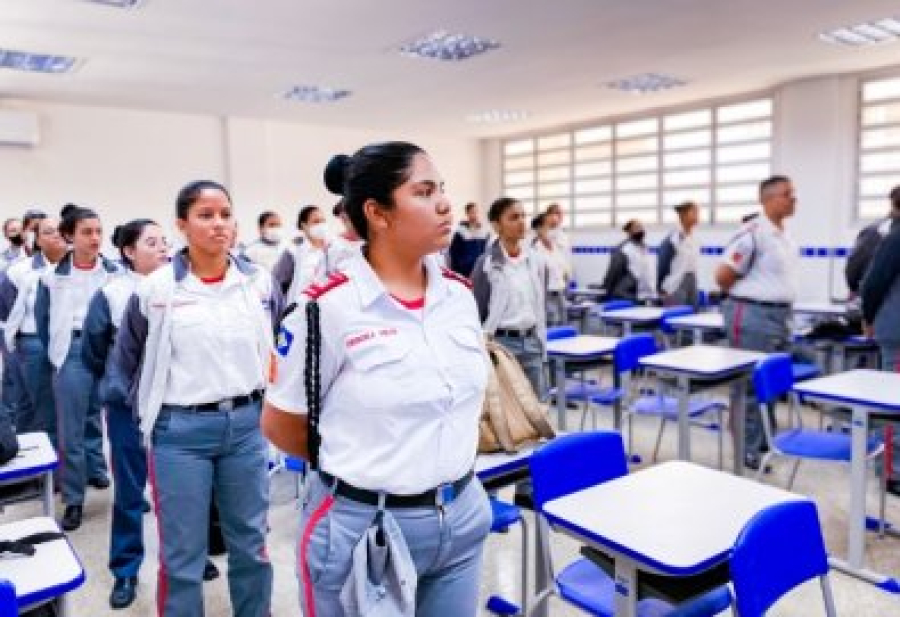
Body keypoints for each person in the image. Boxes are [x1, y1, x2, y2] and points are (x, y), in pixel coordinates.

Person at [262, 142, 492, 617]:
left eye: (442, 189)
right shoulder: (325, 309)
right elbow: (282, 424)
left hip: (461, 514)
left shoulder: (459, 296)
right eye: (424, 192)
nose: (445, 204)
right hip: (365, 525)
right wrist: (369, 461)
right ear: (378, 213)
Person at [112, 180, 276, 617]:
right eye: (205, 215)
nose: (218, 224)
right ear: (182, 225)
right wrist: (150, 420)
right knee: (182, 556)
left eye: (225, 213)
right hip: (180, 434)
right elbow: (129, 363)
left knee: (252, 545)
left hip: (246, 427)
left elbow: (272, 347)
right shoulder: (157, 290)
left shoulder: (257, 282)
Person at [82, 220, 170, 609]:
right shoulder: (112, 293)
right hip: (127, 407)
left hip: (175, 403)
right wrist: (121, 386)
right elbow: (93, 349)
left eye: (164, 241)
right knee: (131, 490)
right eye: (152, 243)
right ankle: (126, 569)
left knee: (179, 489)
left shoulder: (181, 286)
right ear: (129, 252)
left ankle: (186, 557)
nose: (163, 248)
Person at [35, 204, 117, 531]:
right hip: (71, 348)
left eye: (98, 231)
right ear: (69, 236)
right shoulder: (50, 278)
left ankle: (98, 470)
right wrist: (60, 353)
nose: (95, 238)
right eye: (86, 232)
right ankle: (73, 498)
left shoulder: (114, 272)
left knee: (99, 417)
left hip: (108, 349)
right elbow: (43, 322)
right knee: (71, 427)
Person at [715, 175, 798, 470]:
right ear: (769, 199)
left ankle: (764, 441)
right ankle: (745, 448)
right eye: (788, 194)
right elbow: (723, 276)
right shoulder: (752, 233)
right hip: (752, 314)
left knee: (770, 382)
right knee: (749, 384)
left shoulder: (783, 234)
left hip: (778, 316)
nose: (793, 199)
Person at [472, 197, 548, 398]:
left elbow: (540, 303)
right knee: (508, 411)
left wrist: (540, 343)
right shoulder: (486, 263)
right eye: (514, 217)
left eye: (523, 216)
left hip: (531, 342)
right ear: (497, 225)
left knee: (538, 408)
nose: (522, 222)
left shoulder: (535, 260)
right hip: (502, 344)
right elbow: (477, 310)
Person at [0, 214, 61, 438]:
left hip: (64, 340)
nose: (56, 235)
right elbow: (6, 309)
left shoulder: (77, 268)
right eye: (47, 231)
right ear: (36, 239)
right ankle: (34, 467)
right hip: (31, 342)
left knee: (50, 410)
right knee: (36, 409)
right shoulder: (18, 270)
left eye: (59, 230)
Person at [860, 186, 900, 497]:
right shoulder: (895, 238)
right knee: (893, 403)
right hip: (896, 331)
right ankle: (892, 470)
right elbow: (872, 283)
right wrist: (869, 317)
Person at [846, 186, 900, 299]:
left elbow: (854, 268)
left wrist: (855, 289)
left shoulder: (877, 232)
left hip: (881, 305)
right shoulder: (879, 231)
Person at [271, 205, 331, 302]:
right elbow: (276, 285)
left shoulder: (332, 250)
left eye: (323, 221)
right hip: (299, 309)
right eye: (316, 222)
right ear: (304, 225)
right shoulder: (293, 252)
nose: (321, 225)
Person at [658, 201, 701, 308]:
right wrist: (662, 289)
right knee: (677, 319)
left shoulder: (694, 237)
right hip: (675, 284)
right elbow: (662, 265)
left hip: (692, 281)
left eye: (698, 212)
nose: (697, 216)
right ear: (683, 215)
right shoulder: (672, 239)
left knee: (692, 317)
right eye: (694, 212)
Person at [602, 219, 654, 303]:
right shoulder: (623, 248)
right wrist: (606, 290)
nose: (641, 229)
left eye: (641, 227)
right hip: (626, 292)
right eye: (637, 227)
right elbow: (613, 271)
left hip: (643, 292)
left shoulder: (644, 247)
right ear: (629, 231)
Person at [531, 212, 568, 326]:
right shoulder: (534, 249)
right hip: (546, 294)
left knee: (563, 324)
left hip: (560, 291)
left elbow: (561, 268)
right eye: (549, 225)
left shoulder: (555, 246)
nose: (553, 228)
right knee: (551, 325)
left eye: (554, 226)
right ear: (539, 229)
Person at [448, 202, 490, 278]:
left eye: (476, 212)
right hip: (464, 272)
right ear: (467, 213)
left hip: (479, 270)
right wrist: (461, 267)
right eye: (472, 212)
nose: (475, 215)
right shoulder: (460, 231)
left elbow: (486, 252)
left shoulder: (484, 232)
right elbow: (454, 253)